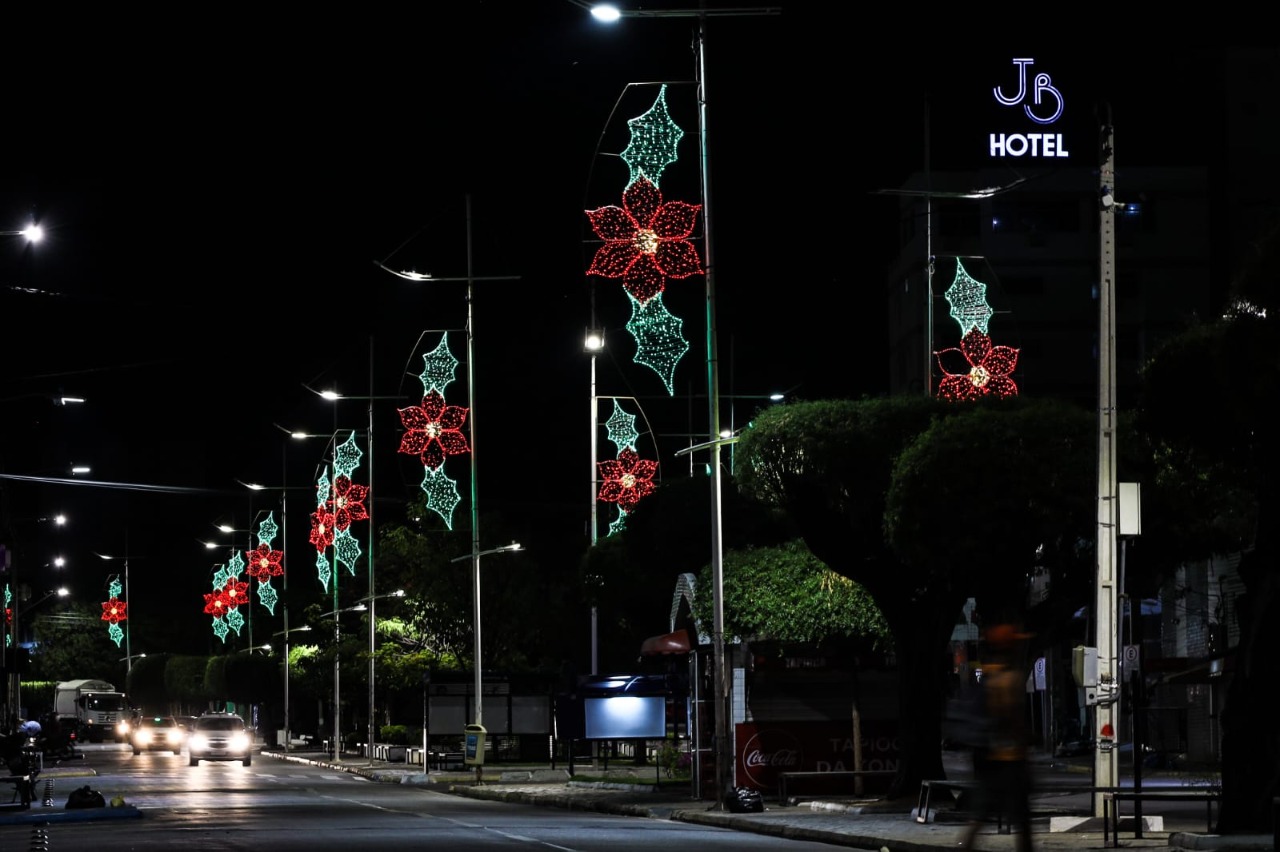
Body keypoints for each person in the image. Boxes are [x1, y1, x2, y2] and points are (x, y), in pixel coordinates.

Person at [959, 622, 1033, 852]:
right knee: (1022, 821)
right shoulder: (1009, 677)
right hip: (1008, 759)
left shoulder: (988, 673)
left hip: (985, 756)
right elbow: (1009, 715)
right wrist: (1025, 736)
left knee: (979, 816)